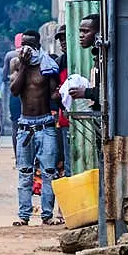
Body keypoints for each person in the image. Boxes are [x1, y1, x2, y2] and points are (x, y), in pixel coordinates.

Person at [9, 29, 61, 226]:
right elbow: (15, 90)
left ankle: (47, 215)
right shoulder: (16, 63)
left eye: (31, 45)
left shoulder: (47, 64)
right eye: (24, 45)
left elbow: (54, 94)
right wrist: (23, 65)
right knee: (24, 173)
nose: (27, 49)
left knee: (48, 172)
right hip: (25, 125)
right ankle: (24, 216)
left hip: (45, 123)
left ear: (38, 46)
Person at [69, 14, 100, 110]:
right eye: (80, 31)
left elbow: (112, 91)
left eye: (86, 31)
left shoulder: (106, 56)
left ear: (98, 33)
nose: (81, 35)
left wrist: (86, 92)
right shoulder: (98, 55)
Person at [54, 25, 71, 176]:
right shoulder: (59, 62)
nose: (62, 42)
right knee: (68, 158)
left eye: (65, 37)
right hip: (65, 117)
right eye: (60, 39)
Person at [3, 33, 23, 156]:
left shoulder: (10, 55)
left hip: (15, 95)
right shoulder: (34, 55)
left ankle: (17, 156)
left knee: (15, 126)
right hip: (31, 96)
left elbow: (5, 76)